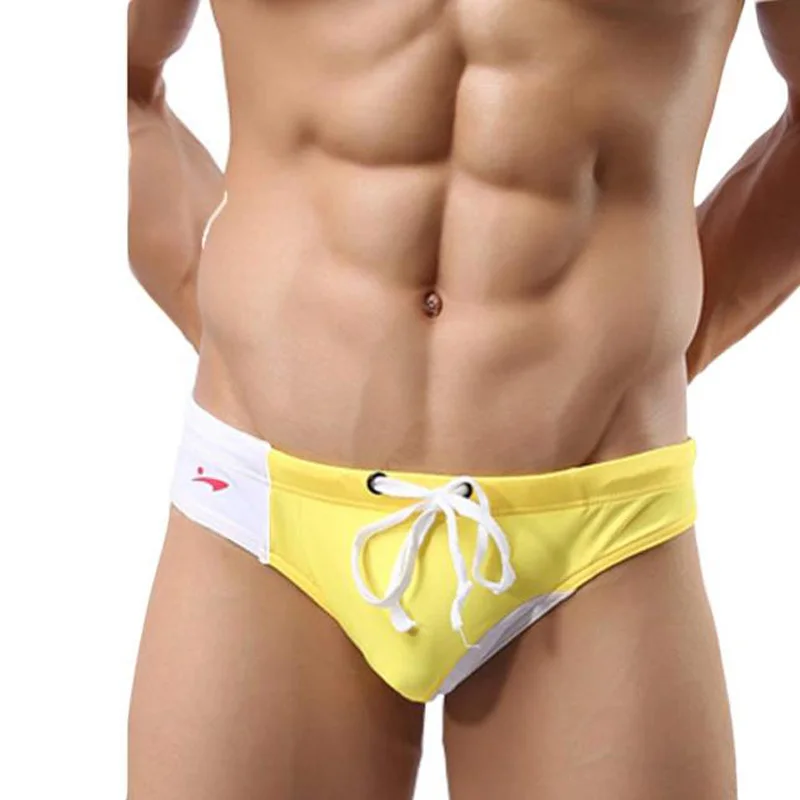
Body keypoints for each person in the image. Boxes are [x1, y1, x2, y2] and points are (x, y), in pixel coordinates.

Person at [126, 0, 799, 797]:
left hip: (598, 528)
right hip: (260, 512)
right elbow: (123, 84)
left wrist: (663, 342)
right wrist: (211, 301)